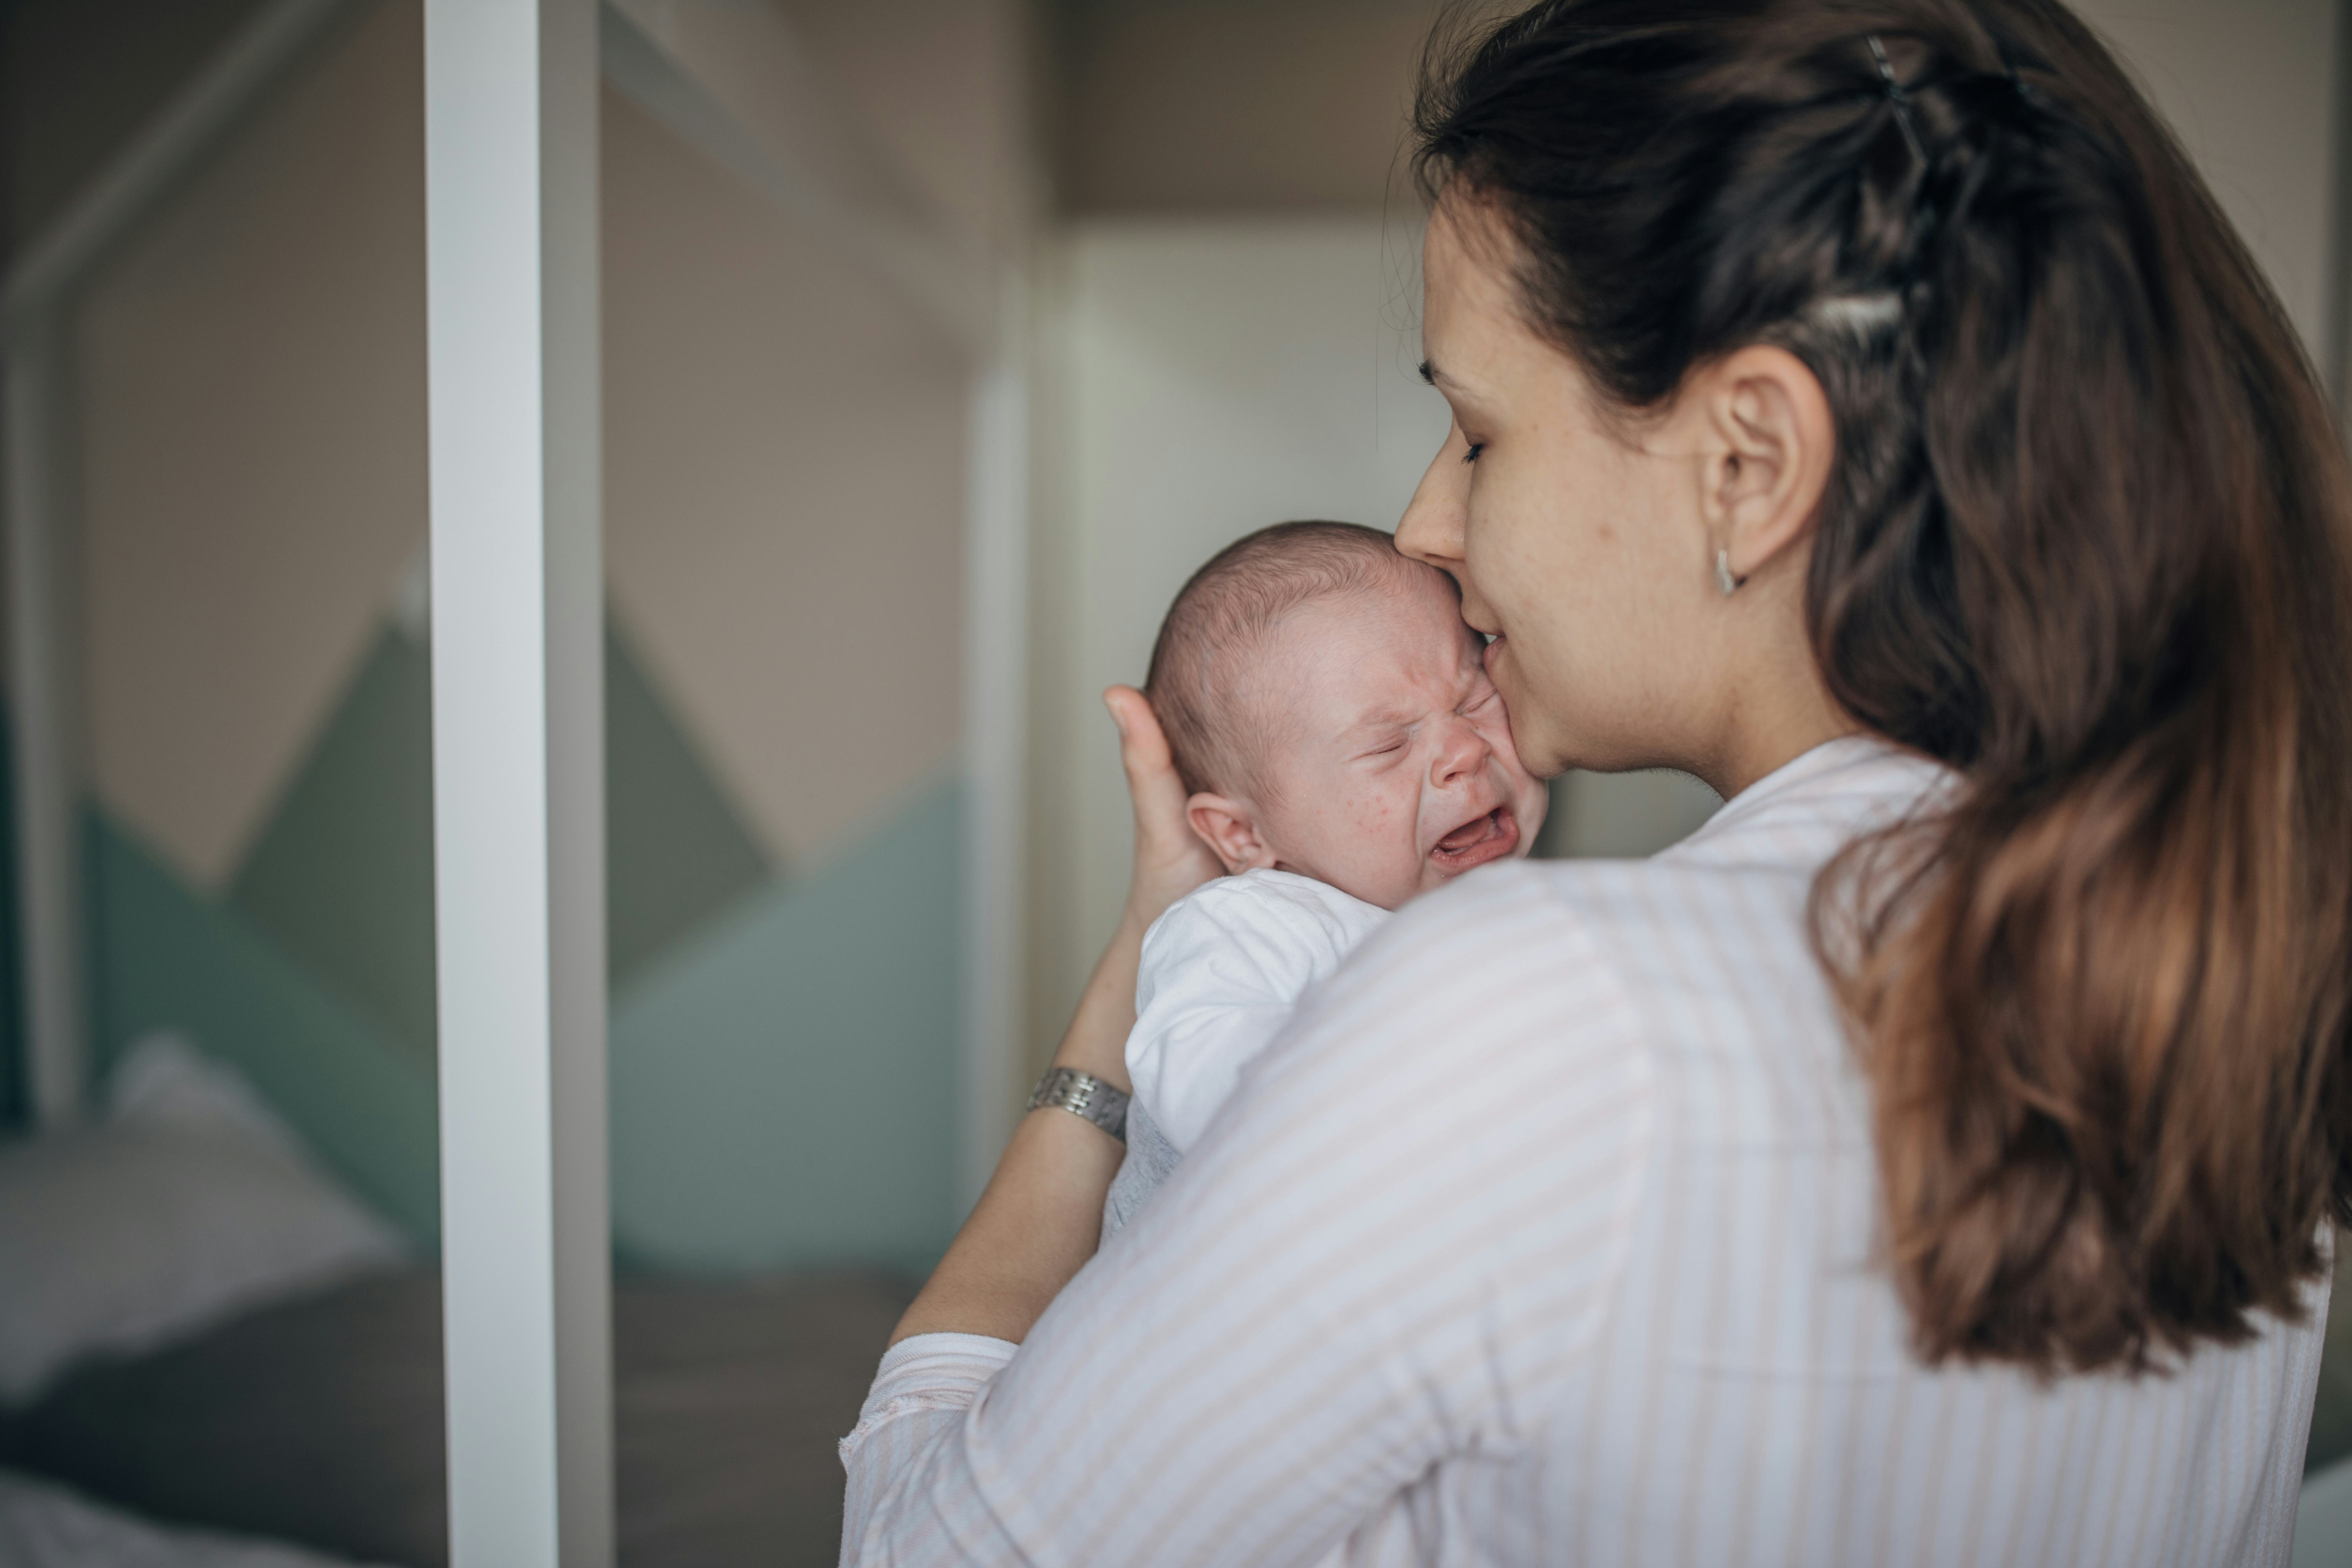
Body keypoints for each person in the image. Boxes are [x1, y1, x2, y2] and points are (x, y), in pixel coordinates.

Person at [841, 1, 2352, 1561]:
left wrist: (1136, 968)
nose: (1425, 526)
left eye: (1476, 433)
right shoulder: (2224, 989)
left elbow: (920, 1549)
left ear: (1751, 463)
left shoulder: (1545, 1017)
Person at [1101, 520, 1547, 1237]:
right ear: (1244, 835)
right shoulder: (1252, 924)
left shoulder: (1527, 920)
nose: (1464, 750)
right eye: (1388, 744)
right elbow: (1214, 1083)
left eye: (1474, 701)